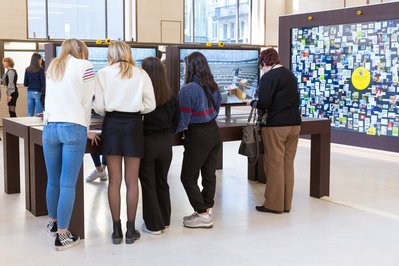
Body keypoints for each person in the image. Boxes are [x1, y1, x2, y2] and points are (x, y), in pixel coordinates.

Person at [93, 41, 156, 245]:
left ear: (111, 53)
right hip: (134, 125)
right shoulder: (140, 74)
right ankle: (131, 230)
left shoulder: (102, 73)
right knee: (131, 181)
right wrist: (136, 109)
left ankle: (116, 231)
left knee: (114, 181)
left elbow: (100, 107)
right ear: (128, 53)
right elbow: (151, 105)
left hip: (111, 124)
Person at [43, 38, 99, 251]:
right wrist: (86, 129)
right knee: (68, 183)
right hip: (73, 126)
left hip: (50, 127)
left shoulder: (53, 65)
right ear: (82, 51)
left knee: (53, 180)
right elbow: (87, 102)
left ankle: (53, 223)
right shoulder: (85, 66)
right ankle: (63, 235)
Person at [251, 48, 301, 214]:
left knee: (274, 165)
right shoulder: (289, 74)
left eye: (262, 66)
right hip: (294, 124)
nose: (262, 69)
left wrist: (251, 103)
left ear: (265, 63)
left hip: (277, 126)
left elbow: (264, 103)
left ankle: (273, 204)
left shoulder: (268, 77)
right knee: (288, 164)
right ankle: (286, 204)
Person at [176, 52, 222, 229]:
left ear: (190, 67)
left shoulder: (188, 89)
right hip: (213, 132)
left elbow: (183, 120)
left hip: (198, 135)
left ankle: (202, 214)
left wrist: (172, 131)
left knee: (187, 176)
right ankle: (207, 209)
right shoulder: (214, 86)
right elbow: (216, 111)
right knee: (209, 174)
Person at [139, 56, 179, 235]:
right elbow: (176, 121)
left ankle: (154, 225)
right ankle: (165, 220)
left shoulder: (141, 94)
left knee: (148, 183)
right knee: (162, 181)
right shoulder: (170, 95)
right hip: (165, 144)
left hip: (147, 142)